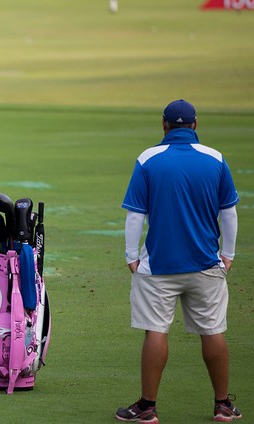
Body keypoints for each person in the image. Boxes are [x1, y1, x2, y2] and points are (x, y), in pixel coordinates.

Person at [116, 100, 241, 423]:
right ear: (195, 125)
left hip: (158, 266)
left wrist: (132, 257)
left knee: (156, 331)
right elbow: (228, 212)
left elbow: (135, 215)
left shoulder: (148, 159)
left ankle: (147, 407)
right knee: (213, 331)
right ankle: (223, 405)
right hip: (206, 264)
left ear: (164, 125)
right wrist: (228, 254)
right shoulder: (215, 159)